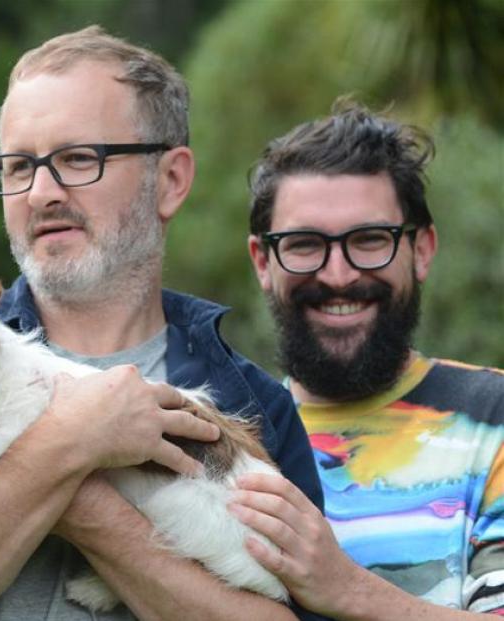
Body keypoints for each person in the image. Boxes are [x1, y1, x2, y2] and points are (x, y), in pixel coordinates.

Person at [0, 26, 326, 620]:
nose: (41, 192)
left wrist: (85, 504)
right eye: (18, 167)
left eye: (77, 158)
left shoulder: (255, 402)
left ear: (170, 180)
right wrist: (69, 442)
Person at [233, 101, 504, 618]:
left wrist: (344, 587)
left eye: (370, 240)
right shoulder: (233, 439)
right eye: (305, 245)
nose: (338, 275)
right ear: (263, 261)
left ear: (421, 251)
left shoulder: (494, 420)